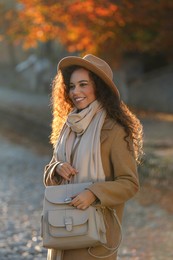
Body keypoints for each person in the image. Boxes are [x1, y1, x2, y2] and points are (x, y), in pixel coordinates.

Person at [43, 54, 143, 260]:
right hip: (62, 231)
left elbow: (129, 183)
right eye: (71, 86)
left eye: (83, 84)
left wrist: (93, 193)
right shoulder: (67, 127)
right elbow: (49, 173)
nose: (75, 92)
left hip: (96, 237)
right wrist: (57, 168)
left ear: (99, 88)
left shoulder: (114, 130)